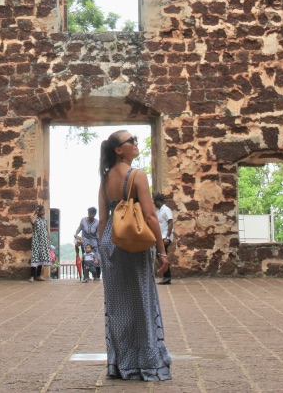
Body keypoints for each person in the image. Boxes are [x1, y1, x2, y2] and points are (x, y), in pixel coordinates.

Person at [97, 130, 171, 381]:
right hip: (132, 241)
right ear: (119, 150)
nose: (136, 143)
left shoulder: (105, 178)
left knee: (118, 306)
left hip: (110, 240)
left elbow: (103, 218)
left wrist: (102, 247)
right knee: (141, 301)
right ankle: (147, 363)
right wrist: (162, 251)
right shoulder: (137, 175)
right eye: (132, 141)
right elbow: (150, 216)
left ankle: (119, 364)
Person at [153, 193, 174, 285]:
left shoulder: (166, 210)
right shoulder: (158, 211)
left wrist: (168, 237)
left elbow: (170, 222)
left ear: (158, 201)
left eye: (155, 202)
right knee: (160, 255)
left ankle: (167, 276)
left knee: (162, 255)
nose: (154, 204)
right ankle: (166, 276)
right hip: (160, 236)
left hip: (165, 236)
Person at [75, 207, 100, 280]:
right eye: (90, 214)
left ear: (95, 214)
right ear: (88, 213)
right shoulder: (83, 220)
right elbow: (79, 228)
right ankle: (86, 276)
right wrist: (76, 234)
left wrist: (99, 244)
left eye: (93, 214)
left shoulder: (97, 222)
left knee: (96, 258)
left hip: (94, 242)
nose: (91, 216)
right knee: (85, 258)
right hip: (85, 241)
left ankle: (97, 275)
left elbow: (98, 234)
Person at [28, 204, 51, 282]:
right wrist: (35, 212)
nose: (44, 212)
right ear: (39, 212)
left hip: (43, 240)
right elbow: (32, 220)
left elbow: (47, 230)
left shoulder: (44, 220)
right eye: (42, 211)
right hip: (36, 240)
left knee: (42, 257)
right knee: (35, 257)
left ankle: (38, 275)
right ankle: (32, 276)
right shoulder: (36, 219)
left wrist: (49, 239)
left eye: (44, 210)